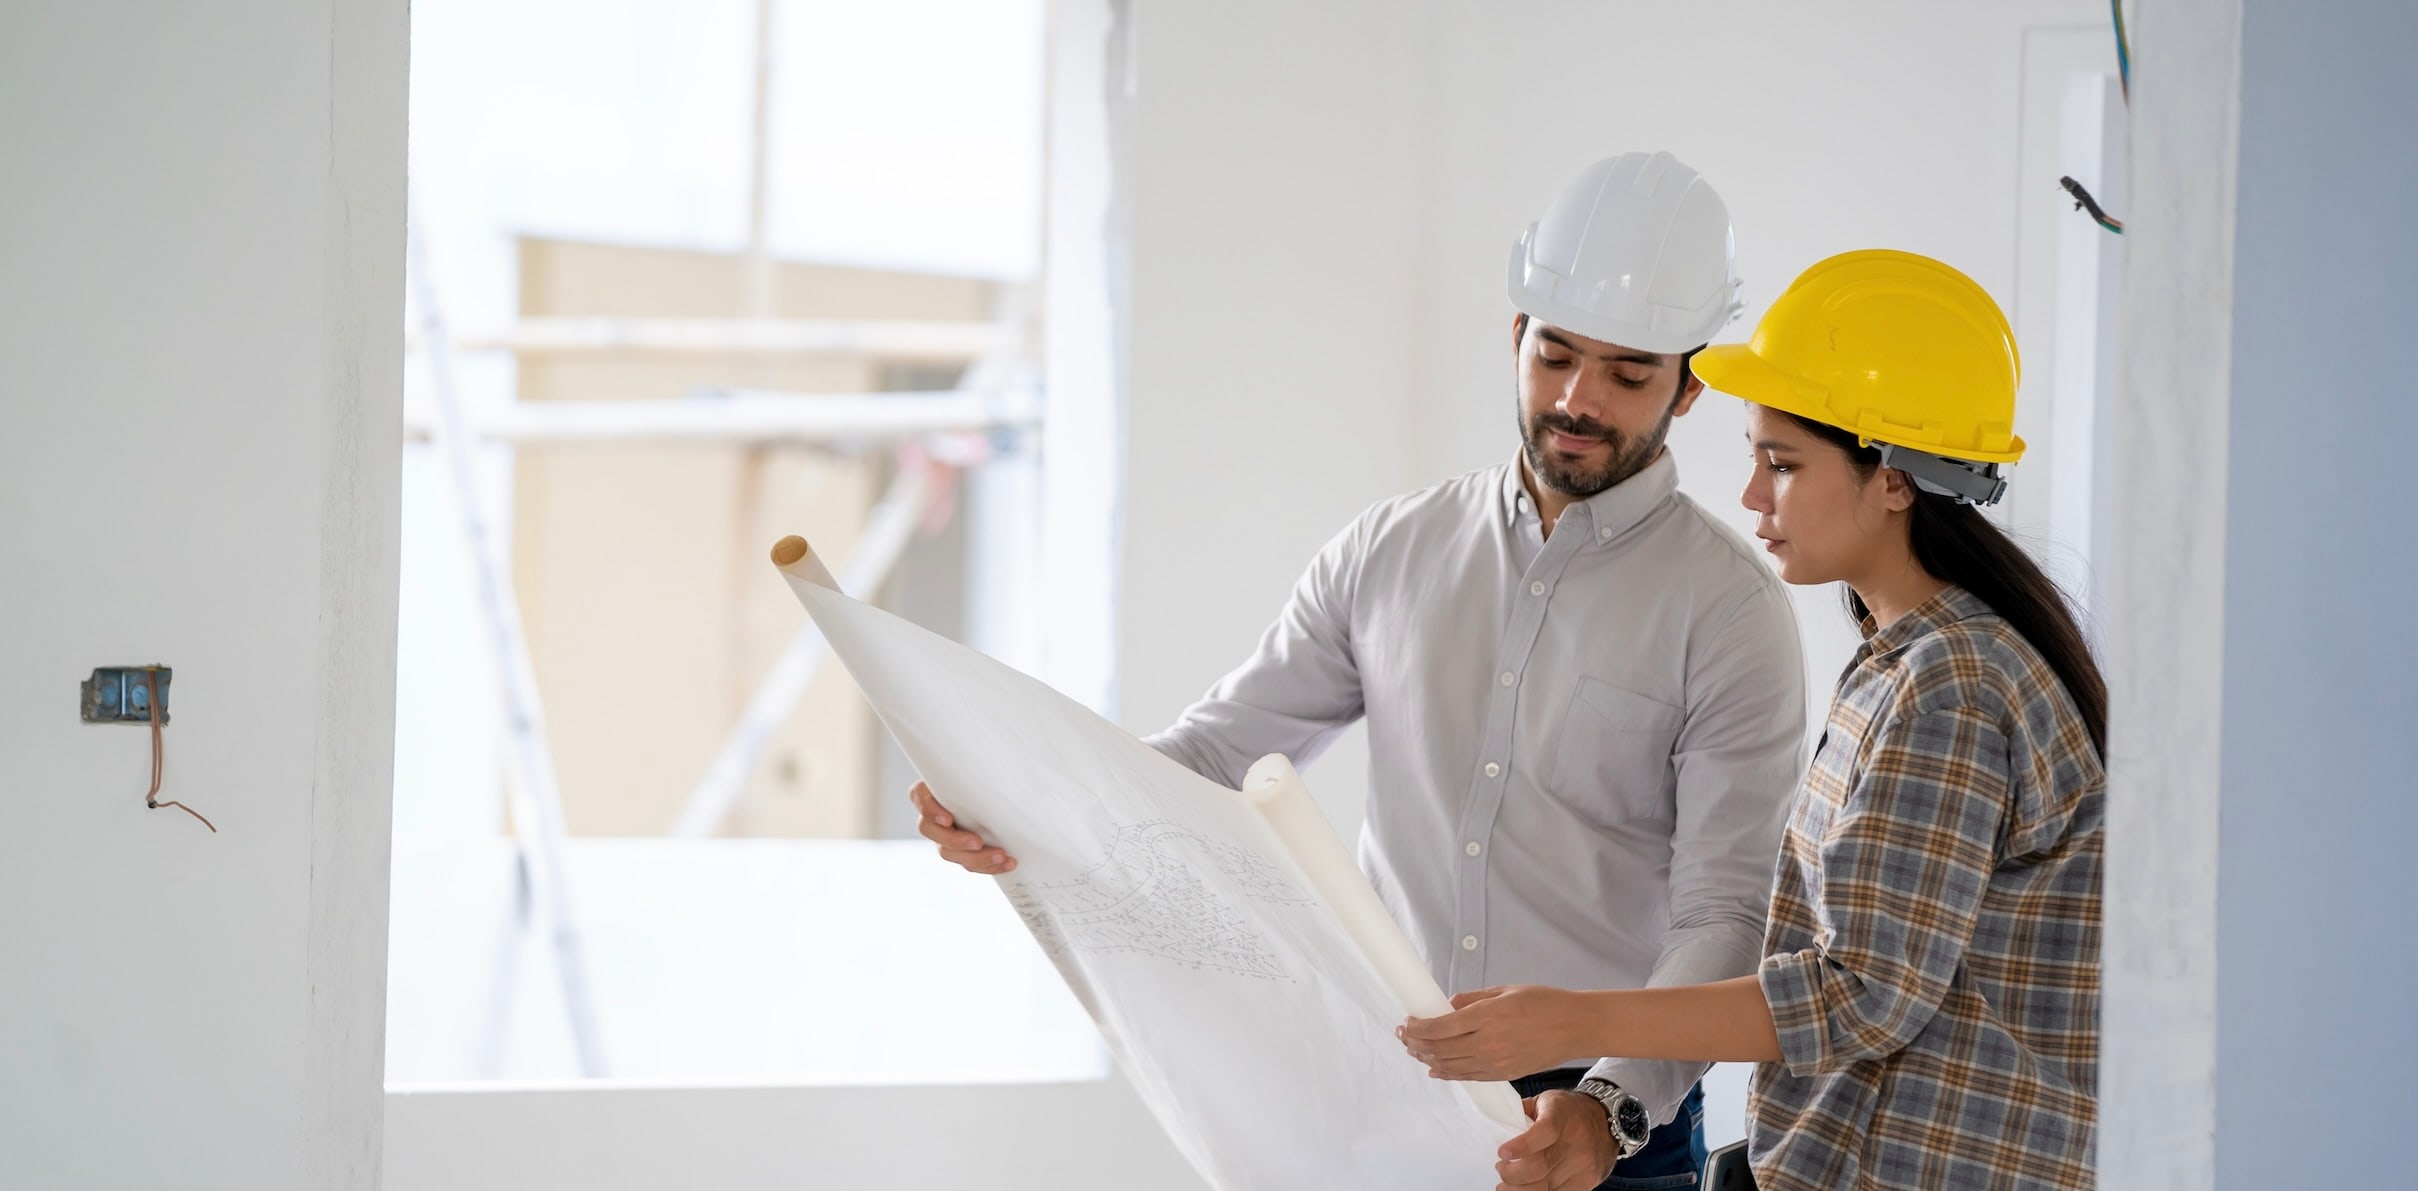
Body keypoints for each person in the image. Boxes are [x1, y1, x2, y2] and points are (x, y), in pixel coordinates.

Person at [912, 152, 1808, 1189]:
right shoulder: (1391, 550)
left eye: (1628, 373)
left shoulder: (1732, 614)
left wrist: (1609, 1108)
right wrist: (1020, 804)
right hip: (1385, 1095)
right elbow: (1214, 754)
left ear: (1690, 386)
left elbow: (1726, 917)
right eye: (1555, 353)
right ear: (1515, 334)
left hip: (1602, 1122)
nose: (1578, 399)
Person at [1399, 249, 2104, 1191]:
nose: (1751, 495)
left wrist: (1577, 1023)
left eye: (1783, 463)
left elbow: (1860, 993)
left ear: (1893, 476)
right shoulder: (1912, 654)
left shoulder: (1954, 682)